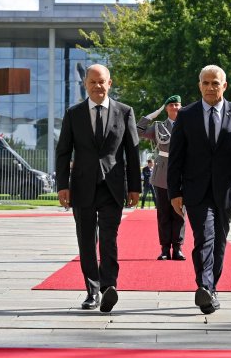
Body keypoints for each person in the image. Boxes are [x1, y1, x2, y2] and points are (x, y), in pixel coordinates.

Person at [168, 65, 231, 314]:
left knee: (219, 241)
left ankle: (212, 289)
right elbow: (175, 157)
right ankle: (204, 287)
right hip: (196, 191)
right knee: (204, 238)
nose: (210, 87)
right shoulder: (186, 115)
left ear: (224, 86)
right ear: (199, 86)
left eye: (215, 83)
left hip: (227, 191)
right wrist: (174, 191)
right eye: (205, 83)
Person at [55, 64, 141, 312]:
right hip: (81, 187)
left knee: (108, 239)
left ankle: (108, 287)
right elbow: (63, 152)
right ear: (85, 84)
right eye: (92, 82)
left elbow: (132, 153)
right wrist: (63, 186)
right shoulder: (74, 114)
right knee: (86, 240)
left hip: (112, 187)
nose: (97, 86)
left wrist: (134, 187)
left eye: (101, 81)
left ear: (110, 83)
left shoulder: (124, 112)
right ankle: (91, 291)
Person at [137, 95, 186, 260]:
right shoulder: (158, 127)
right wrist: (152, 115)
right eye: (171, 105)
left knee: (179, 212)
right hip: (163, 172)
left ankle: (178, 248)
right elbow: (138, 131)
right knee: (164, 212)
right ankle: (165, 248)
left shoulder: (188, 124)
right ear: (166, 108)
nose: (175, 108)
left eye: (177, 105)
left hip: (182, 172)